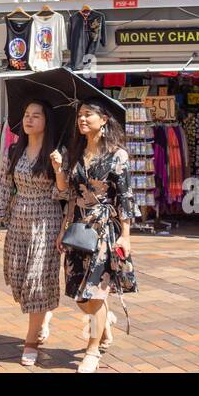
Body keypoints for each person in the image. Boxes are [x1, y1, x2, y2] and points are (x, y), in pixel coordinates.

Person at [54, 98, 137, 374]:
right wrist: (58, 170)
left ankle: (92, 352)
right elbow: (67, 193)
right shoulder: (74, 153)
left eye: (88, 114)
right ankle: (104, 324)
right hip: (78, 227)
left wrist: (125, 235)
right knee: (79, 294)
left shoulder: (117, 155)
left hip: (104, 229)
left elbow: (125, 197)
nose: (82, 119)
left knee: (95, 292)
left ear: (104, 120)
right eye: (79, 115)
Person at [0, 100, 64, 367]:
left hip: (47, 220)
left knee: (36, 281)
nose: (29, 120)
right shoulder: (13, 150)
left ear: (47, 121)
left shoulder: (57, 152)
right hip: (19, 220)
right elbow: (4, 187)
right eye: (26, 114)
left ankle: (30, 342)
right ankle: (42, 317)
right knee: (19, 279)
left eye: (36, 115)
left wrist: (59, 170)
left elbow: (64, 194)